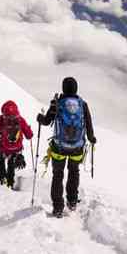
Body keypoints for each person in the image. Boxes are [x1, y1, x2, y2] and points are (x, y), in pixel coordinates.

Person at [37, 77, 96, 217]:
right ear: (76, 88)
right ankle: (72, 201)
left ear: (63, 88)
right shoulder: (82, 104)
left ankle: (58, 207)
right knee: (74, 172)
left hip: (59, 147)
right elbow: (88, 122)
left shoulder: (56, 103)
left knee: (58, 175)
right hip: (77, 147)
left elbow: (46, 121)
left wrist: (40, 118)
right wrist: (91, 138)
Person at [0, 100, 33, 189]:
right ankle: (10, 183)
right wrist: (29, 132)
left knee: (0, 161)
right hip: (17, 148)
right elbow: (29, 135)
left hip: (4, 147)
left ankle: (3, 179)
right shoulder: (20, 119)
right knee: (11, 164)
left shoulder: (1, 119)